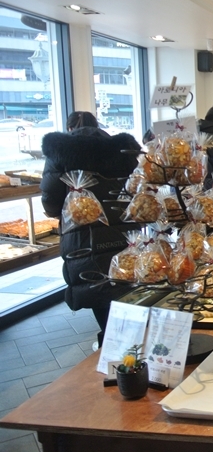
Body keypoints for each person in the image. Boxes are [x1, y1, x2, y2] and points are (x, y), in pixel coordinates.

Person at [40, 121, 142, 347]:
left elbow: (51, 202)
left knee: (98, 290)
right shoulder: (122, 152)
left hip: (84, 238)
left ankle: (112, 347)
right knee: (127, 287)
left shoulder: (60, 155)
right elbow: (138, 193)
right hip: (125, 233)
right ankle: (131, 347)